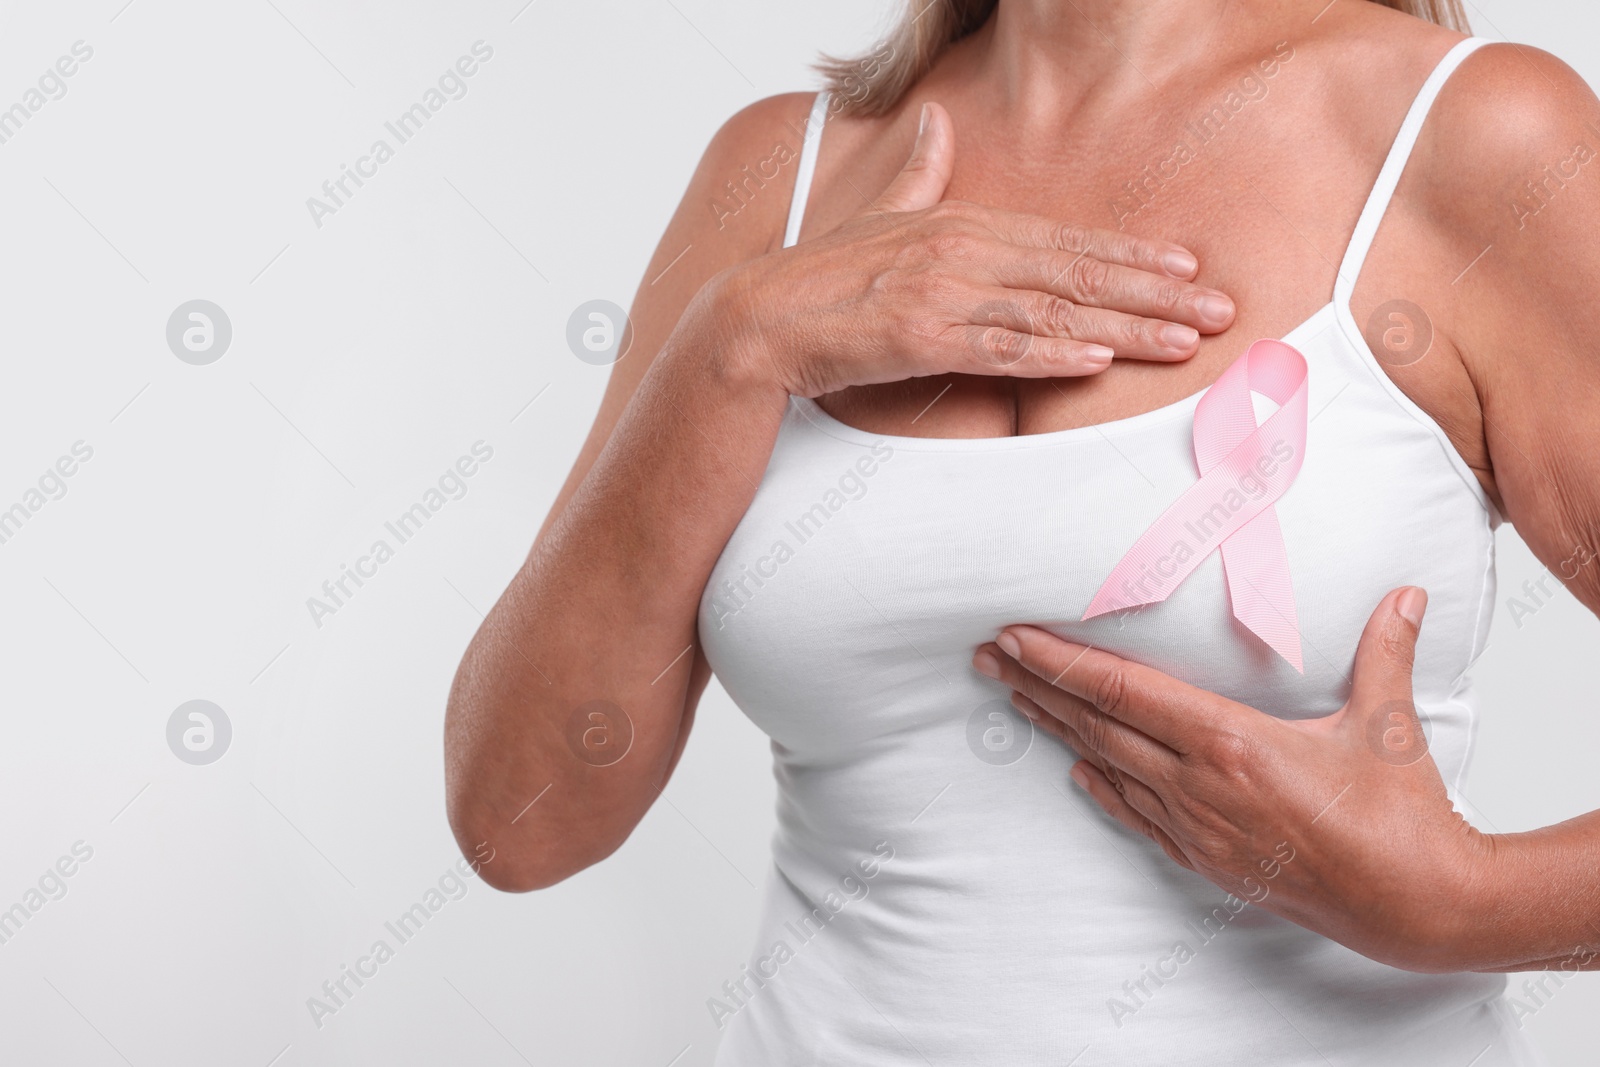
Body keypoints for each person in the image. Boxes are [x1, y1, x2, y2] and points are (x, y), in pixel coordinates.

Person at [445, 1, 1600, 1062]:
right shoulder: (777, 173)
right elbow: (517, 819)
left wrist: (1463, 903)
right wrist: (738, 342)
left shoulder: (1474, 135)